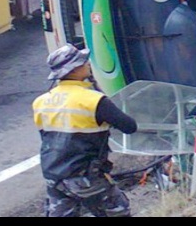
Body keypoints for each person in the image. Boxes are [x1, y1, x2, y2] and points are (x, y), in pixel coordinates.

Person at [33, 45, 138, 217]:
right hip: (84, 177)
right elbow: (129, 126)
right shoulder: (94, 100)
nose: (88, 64)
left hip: (55, 177)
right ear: (75, 70)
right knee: (118, 211)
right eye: (84, 62)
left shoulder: (40, 102)